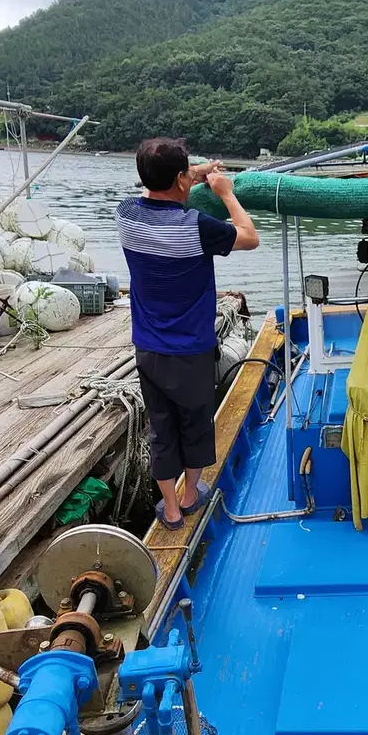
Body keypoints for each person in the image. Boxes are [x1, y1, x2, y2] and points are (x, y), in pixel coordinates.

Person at [116, 137, 259, 529]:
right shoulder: (196, 226)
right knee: (195, 424)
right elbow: (249, 236)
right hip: (192, 348)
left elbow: (156, 191)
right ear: (180, 181)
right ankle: (191, 494)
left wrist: (193, 174)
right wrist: (227, 194)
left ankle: (171, 510)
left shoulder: (126, 215)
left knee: (161, 428)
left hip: (148, 347)